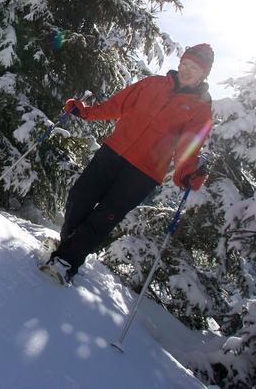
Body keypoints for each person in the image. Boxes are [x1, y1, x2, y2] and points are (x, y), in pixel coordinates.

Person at [41, 44, 215, 285]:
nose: (186, 70)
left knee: (105, 217)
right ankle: (67, 246)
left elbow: (187, 149)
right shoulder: (153, 83)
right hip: (114, 150)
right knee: (79, 196)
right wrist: (86, 112)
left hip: (144, 172)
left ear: (204, 74)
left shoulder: (201, 110)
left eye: (193, 68)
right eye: (184, 64)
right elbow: (117, 104)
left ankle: (66, 262)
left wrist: (187, 174)